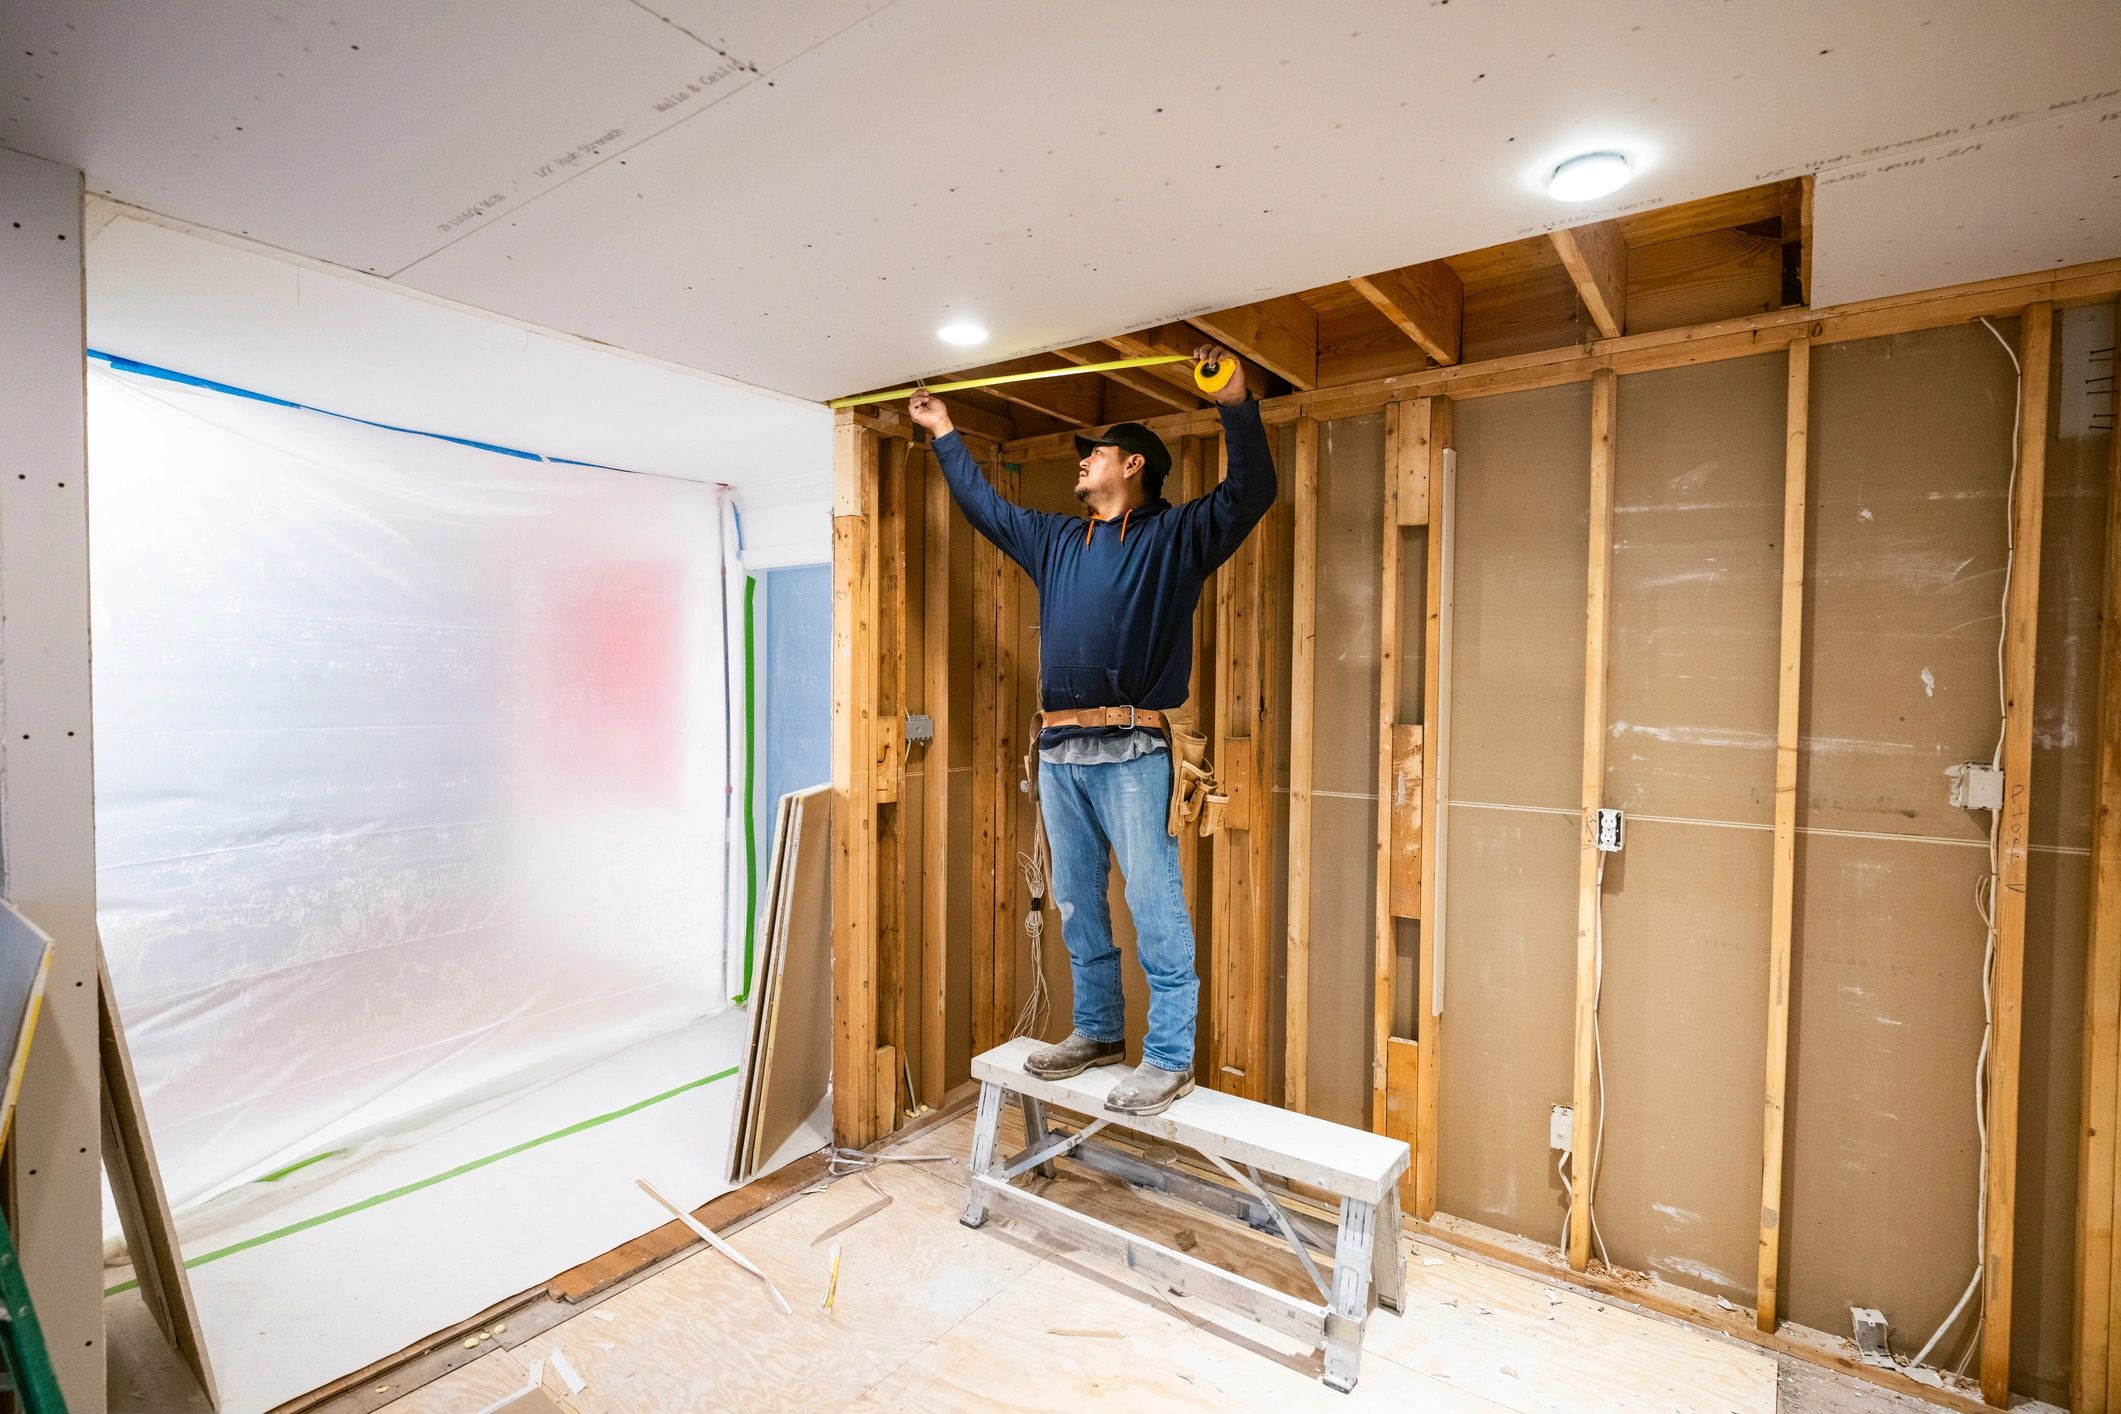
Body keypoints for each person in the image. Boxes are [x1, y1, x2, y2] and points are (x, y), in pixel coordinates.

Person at [908, 342, 1276, 1115]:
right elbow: (986, 509)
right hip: (1059, 752)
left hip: (1135, 751)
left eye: (1094, 455)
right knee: (1077, 898)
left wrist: (1234, 402)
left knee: (1153, 901)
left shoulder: (1176, 538)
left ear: (1134, 465)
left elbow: (1251, 489)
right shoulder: (1054, 541)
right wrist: (944, 432)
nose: (1081, 466)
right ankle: (1098, 1031)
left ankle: (1169, 1056)